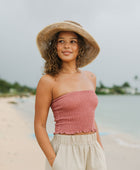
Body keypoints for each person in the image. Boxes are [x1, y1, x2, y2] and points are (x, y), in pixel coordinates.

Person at [34, 20, 107, 170]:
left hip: (93, 150)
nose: (67, 46)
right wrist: (54, 161)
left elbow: (90, 118)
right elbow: (39, 125)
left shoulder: (90, 78)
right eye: (61, 41)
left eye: (72, 41)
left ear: (79, 47)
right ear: (55, 46)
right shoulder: (48, 81)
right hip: (65, 152)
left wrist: (100, 150)